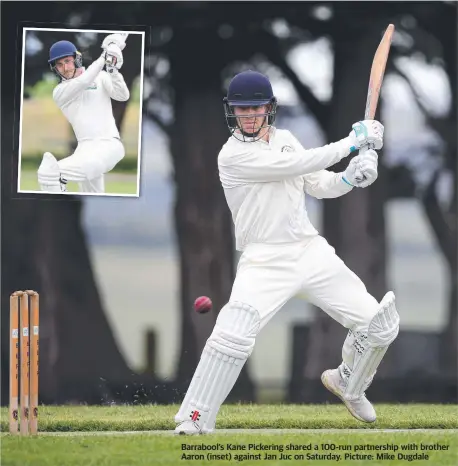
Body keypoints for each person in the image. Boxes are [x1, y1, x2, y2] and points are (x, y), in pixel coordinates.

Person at [174, 70, 400, 435]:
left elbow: (318, 183)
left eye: (255, 108)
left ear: (269, 109)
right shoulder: (231, 156)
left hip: (309, 251)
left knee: (380, 325)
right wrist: (353, 142)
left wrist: (349, 177)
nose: (248, 116)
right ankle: (195, 418)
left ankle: (348, 383)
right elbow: (295, 165)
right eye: (241, 109)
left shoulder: (288, 140)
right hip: (263, 259)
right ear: (231, 111)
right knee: (234, 333)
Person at [37, 34, 130, 194]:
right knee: (93, 195)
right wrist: (104, 57)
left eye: (67, 61)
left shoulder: (101, 77)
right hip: (84, 150)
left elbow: (123, 96)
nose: (65, 68)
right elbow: (83, 81)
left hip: (108, 145)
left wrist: (113, 70)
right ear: (55, 69)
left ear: (77, 59)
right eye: (59, 65)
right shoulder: (60, 92)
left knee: (49, 174)